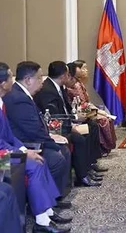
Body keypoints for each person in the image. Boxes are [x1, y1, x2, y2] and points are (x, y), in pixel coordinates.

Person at [0, 62, 72, 233]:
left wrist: (25, 151)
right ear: (3, 83)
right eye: (11, 76)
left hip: (6, 151)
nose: (14, 79)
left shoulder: (2, 103)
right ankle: (41, 221)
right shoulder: (9, 101)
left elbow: (10, 136)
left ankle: (46, 214)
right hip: (2, 157)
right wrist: (21, 154)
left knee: (38, 161)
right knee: (32, 165)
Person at [34, 61, 102, 187]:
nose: (69, 77)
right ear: (63, 75)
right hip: (58, 128)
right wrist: (72, 124)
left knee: (91, 126)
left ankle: (88, 167)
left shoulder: (58, 86)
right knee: (79, 138)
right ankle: (82, 177)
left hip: (67, 121)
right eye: (67, 74)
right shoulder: (47, 90)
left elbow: (67, 108)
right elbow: (53, 115)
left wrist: (76, 117)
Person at [66, 60, 116, 154]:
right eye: (83, 68)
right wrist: (98, 112)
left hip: (85, 108)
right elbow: (82, 105)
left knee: (106, 116)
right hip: (80, 111)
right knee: (103, 119)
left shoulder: (79, 83)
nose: (86, 70)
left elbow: (87, 102)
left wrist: (98, 110)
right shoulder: (76, 85)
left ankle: (104, 148)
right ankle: (102, 147)